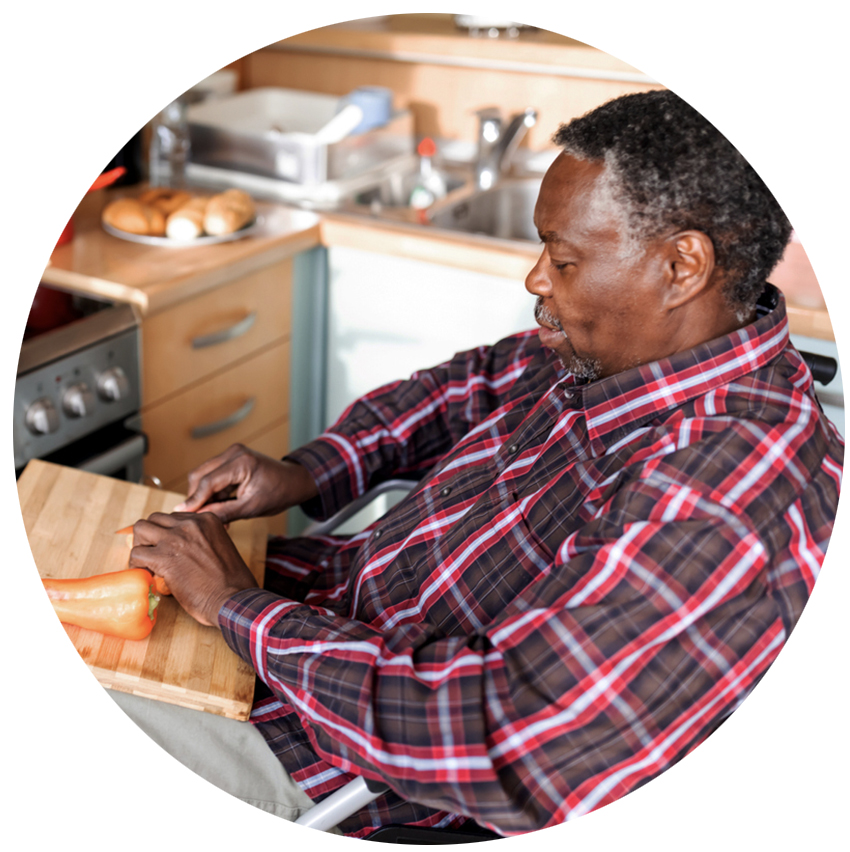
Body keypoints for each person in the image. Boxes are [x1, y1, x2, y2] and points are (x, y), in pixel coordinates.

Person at [123, 89, 843, 838]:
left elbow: (495, 737)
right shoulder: (631, 349)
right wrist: (309, 471)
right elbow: (469, 385)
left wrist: (236, 608)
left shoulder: (728, 499)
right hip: (311, 610)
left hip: (328, 758)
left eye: (563, 259)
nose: (537, 279)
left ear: (682, 266)